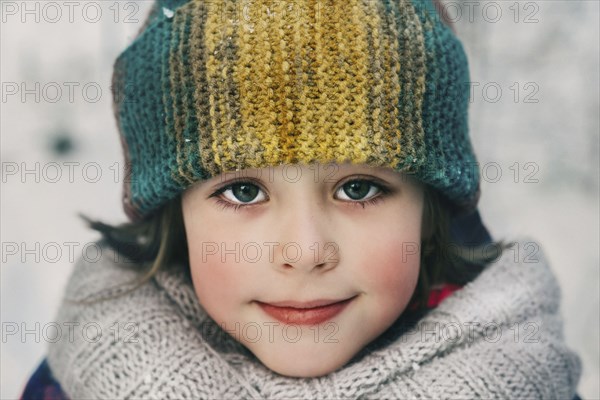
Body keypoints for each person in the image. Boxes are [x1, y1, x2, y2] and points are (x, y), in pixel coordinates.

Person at [21, 0, 582, 398]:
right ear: (175, 214)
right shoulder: (81, 381)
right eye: (243, 190)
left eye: (358, 188)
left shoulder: (523, 372)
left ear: (429, 211)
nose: (306, 250)